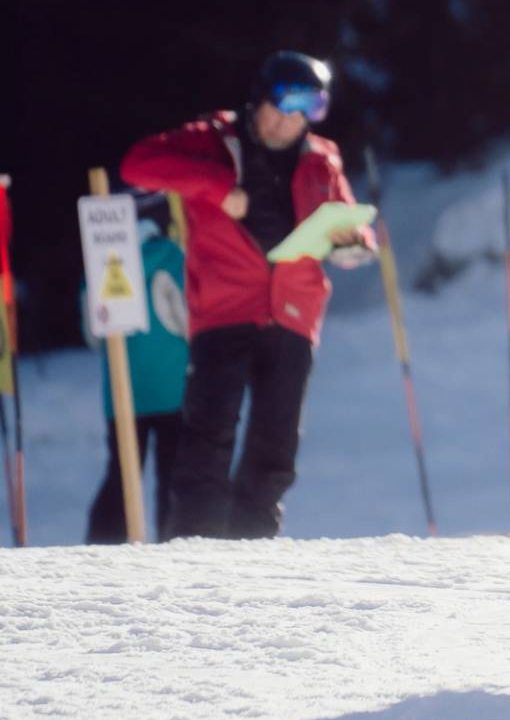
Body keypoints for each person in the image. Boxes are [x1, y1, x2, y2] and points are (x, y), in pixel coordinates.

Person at [120, 52, 373, 540]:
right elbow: (138, 165)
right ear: (256, 102)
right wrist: (216, 186)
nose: (286, 123)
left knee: (276, 449)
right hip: (225, 312)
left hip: (294, 316)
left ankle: (253, 552)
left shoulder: (322, 158)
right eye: (278, 110)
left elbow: (348, 224)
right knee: (208, 437)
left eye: (301, 113)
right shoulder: (212, 139)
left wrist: (354, 242)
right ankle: (193, 549)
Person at [82, 194, 190, 543]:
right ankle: (171, 544)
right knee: (173, 471)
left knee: (123, 473)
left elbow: (92, 333)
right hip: (173, 387)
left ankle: (102, 547)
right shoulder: (173, 258)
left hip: (122, 393)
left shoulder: (101, 264)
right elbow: (188, 319)